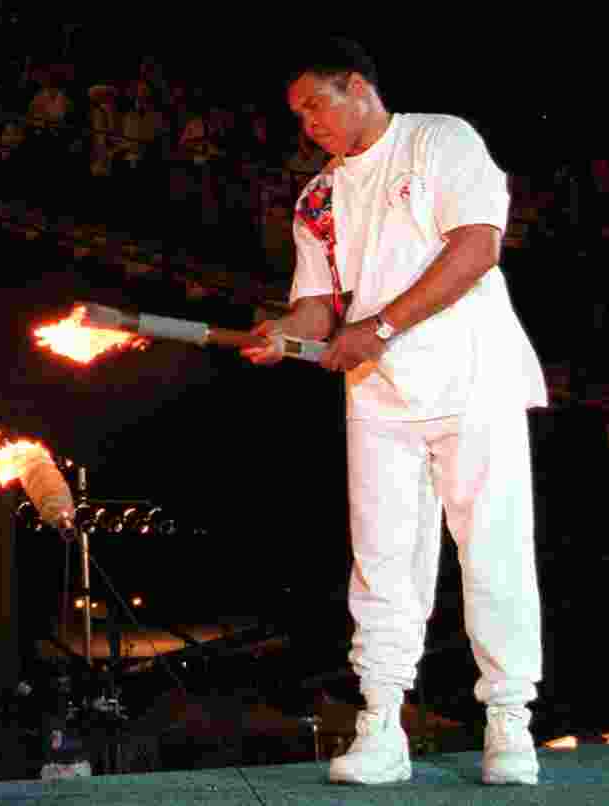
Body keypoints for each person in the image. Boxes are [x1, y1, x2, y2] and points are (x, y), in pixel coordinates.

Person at [241, 38, 547, 786]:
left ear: (358, 86)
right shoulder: (318, 197)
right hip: (379, 394)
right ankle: (381, 724)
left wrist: (376, 328)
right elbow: (318, 306)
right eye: (298, 113)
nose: (307, 122)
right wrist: (283, 335)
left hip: (474, 378)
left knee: (493, 549)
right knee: (381, 561)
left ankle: (509, 723)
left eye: (315, 103)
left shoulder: (440, 139)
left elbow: (476, 249)